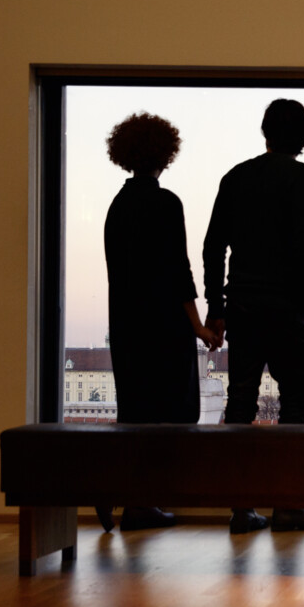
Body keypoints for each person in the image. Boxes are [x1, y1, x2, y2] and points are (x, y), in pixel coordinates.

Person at [202, 99, 304, 534]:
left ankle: (241, 509)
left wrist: (215, 307)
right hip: (285, 306)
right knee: (295, 405)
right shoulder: (300, 176)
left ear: (265, 132)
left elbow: (212, 246)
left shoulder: (235, 177)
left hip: (241, 307)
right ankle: (289, 506)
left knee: (240, 404)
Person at [99, 112, 218, 532]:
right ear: (165, 154)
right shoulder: (166, 203)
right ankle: (137, 502)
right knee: (170, 415)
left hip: (128, 328)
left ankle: (129, 497)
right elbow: (178, 273)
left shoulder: (117, 206)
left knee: (135, 414)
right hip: (164, 328)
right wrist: (200, 327)